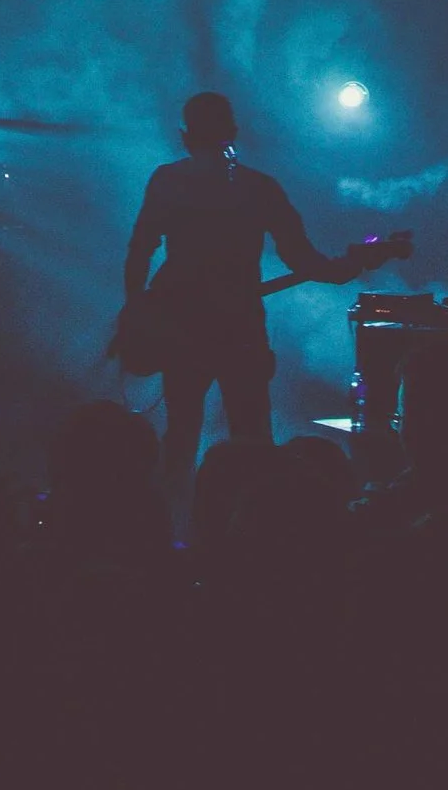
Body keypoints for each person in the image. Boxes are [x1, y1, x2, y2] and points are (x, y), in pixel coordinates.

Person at [119, 91, 341, 536]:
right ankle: (261, 538)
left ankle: (174, 534)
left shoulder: (168, 180)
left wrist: (138, 309)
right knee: (252, 437)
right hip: (238, 328)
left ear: (185, 136)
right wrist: (346, 267)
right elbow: (302, 257)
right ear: (233, 133)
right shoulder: (258, 188)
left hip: (183, 327)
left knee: (181, 432)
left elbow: (140, 249)